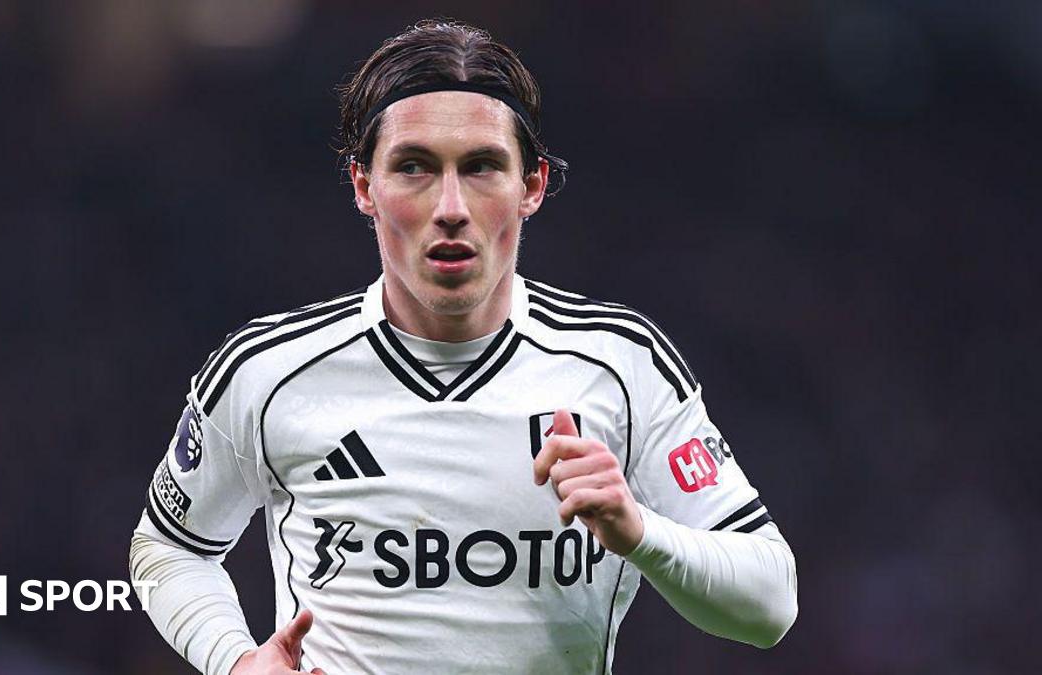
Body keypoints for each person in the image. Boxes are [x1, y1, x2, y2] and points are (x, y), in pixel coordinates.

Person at [129, 19, 797, 675]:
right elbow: (167, 547)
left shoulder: (622, 364)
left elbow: (770, 604)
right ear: (365, 186)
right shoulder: (265, 371)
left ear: (530, 185)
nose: (450, 205)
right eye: (414, 166)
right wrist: (235, 659)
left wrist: (640, 531)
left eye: (481, 167)